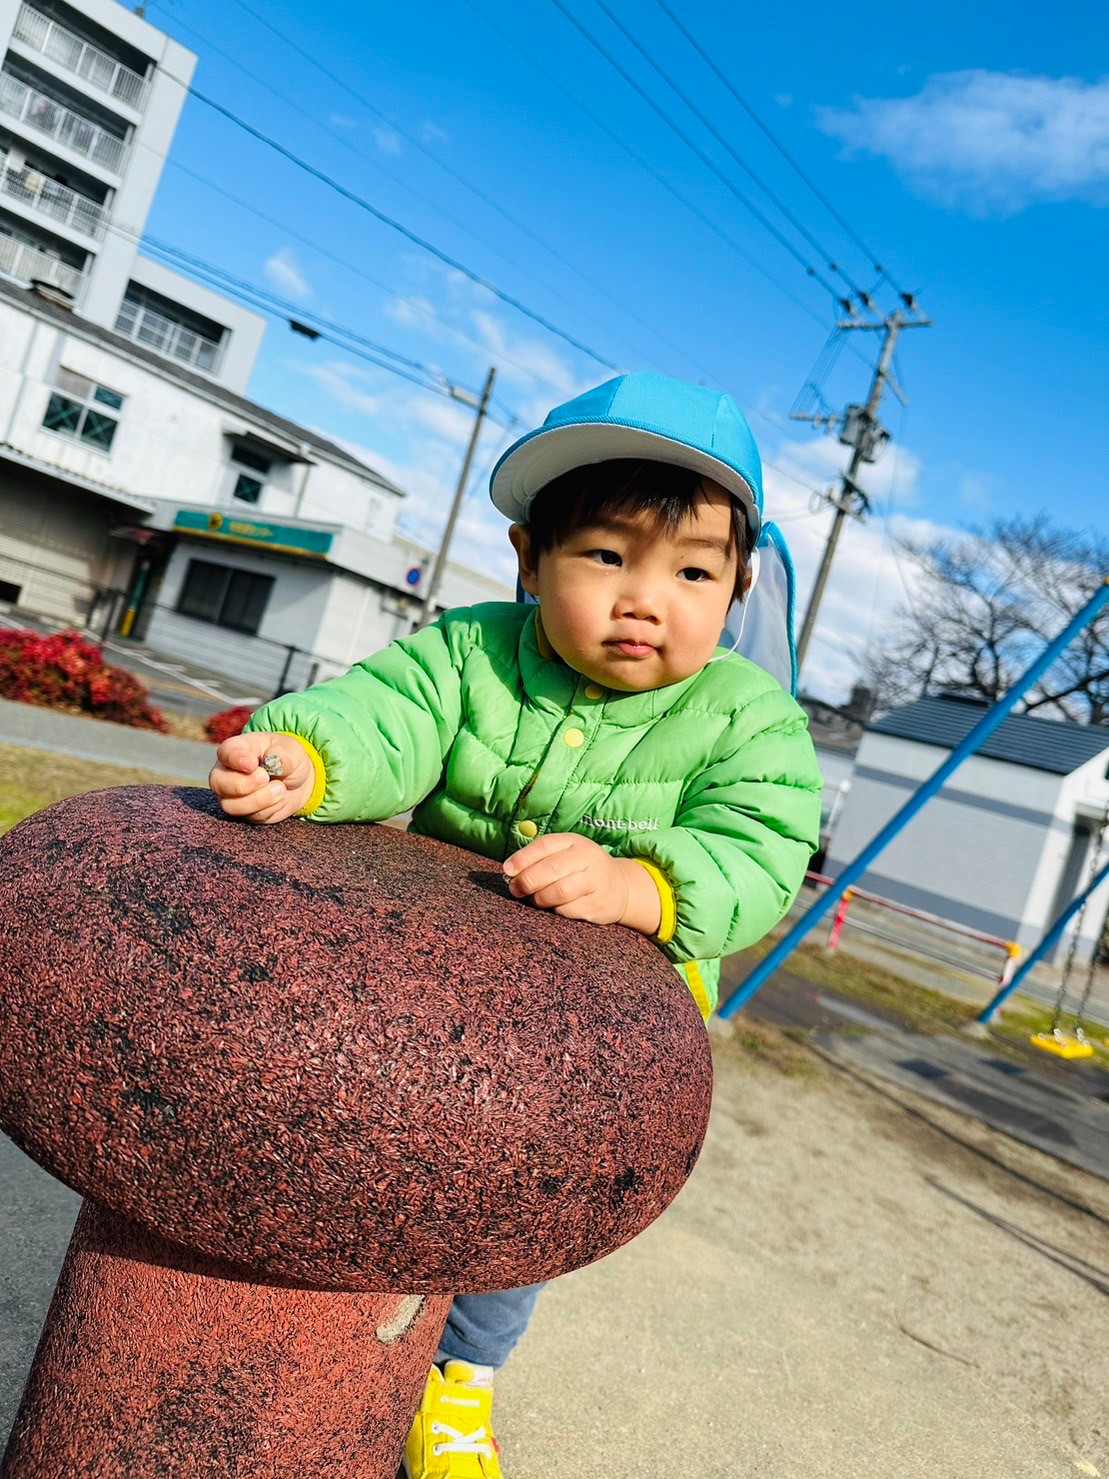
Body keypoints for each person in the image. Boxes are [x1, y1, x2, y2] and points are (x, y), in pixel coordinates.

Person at [209, 372, 822, 1478]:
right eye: (607, 556)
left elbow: (760, 849)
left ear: (735, 591)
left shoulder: (748, 720)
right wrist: (309, 756)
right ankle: (318, 1289)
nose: (645, 600)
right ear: (530, 560)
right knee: (370, 1127)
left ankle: (462, 1371)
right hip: (429, 975)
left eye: (691, 572)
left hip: (590, 1032)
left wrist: (643, 887)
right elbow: (388, 715)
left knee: (521, 1197)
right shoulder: (472, 650)